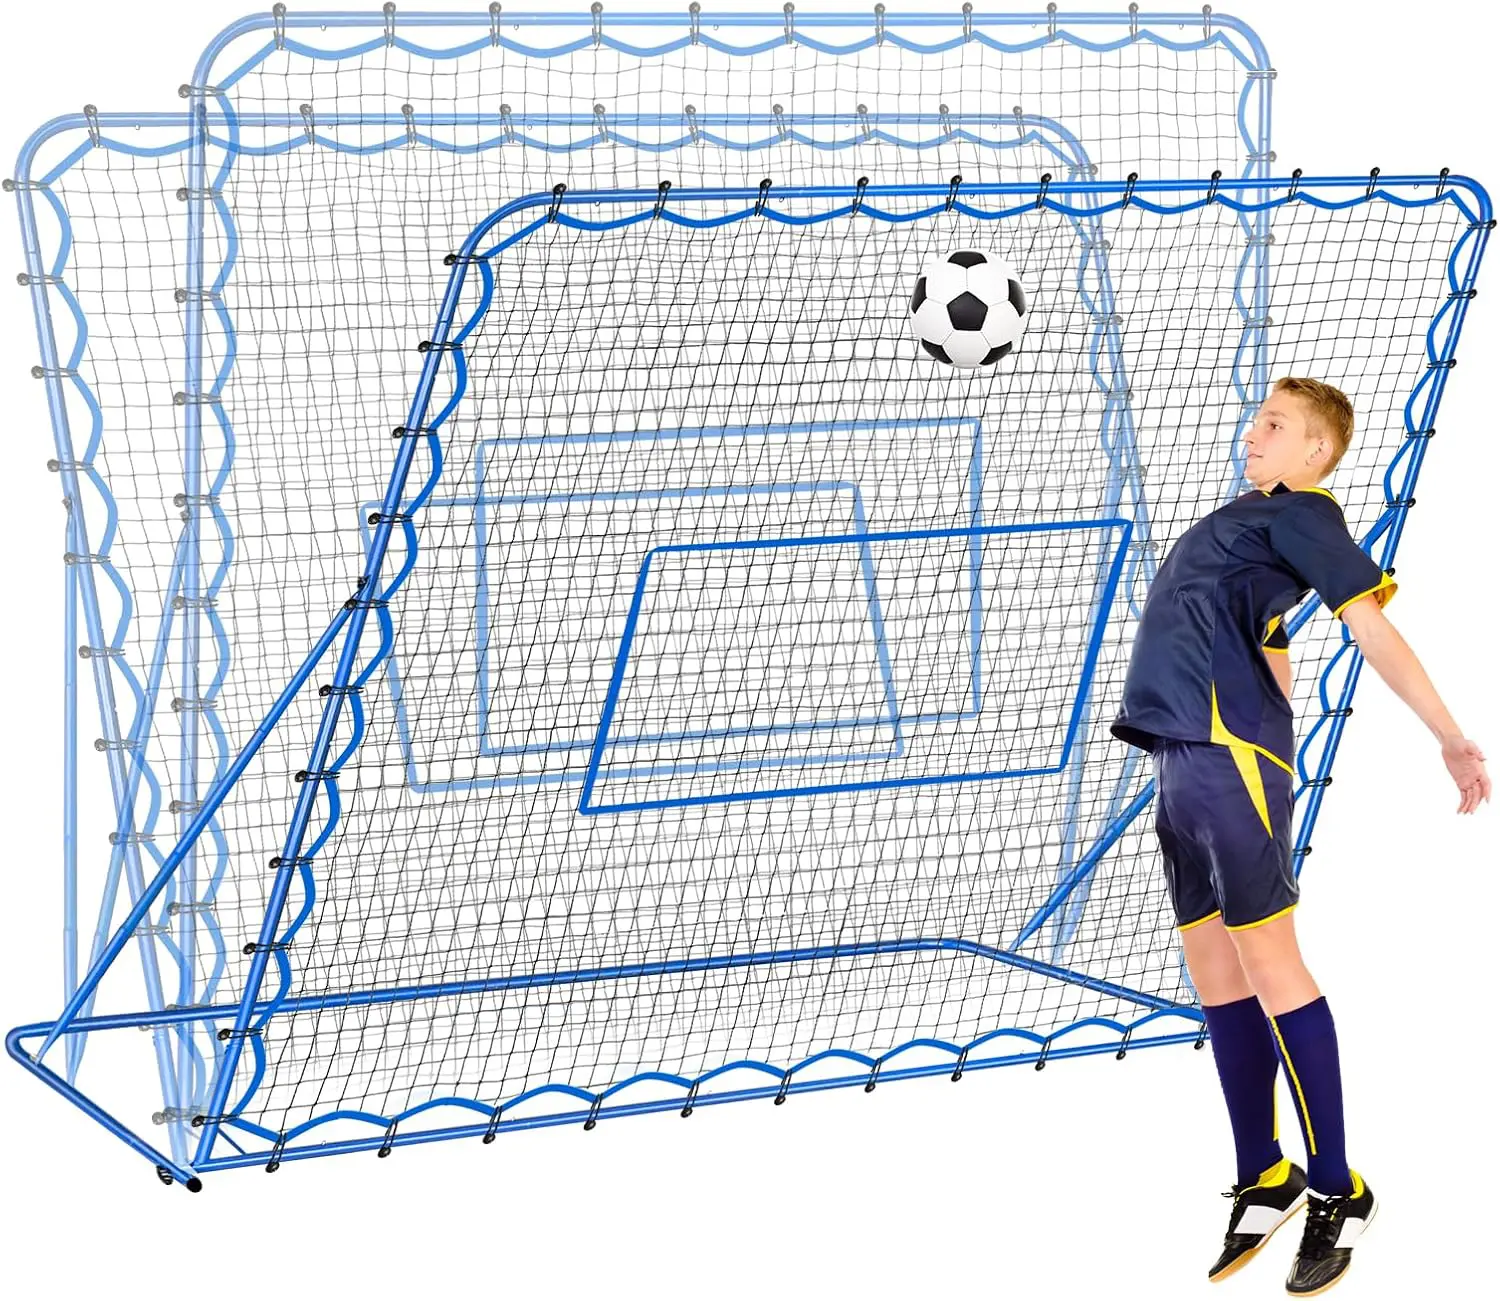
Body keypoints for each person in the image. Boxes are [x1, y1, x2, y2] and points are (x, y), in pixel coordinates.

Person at [1110, 377, 1491, 1295]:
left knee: (1272, 964)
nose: (1253, 434)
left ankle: (1338, 1189)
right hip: (1182, 755)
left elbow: (1369, 627)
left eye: (1274, 424)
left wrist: (1449, 735)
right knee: (1215, 971)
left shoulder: (1306, 512)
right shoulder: (1250, 520)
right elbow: (1267, 631)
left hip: (1229, 757)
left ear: (1317, 450)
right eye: (1256, 421)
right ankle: (1265, 1172)